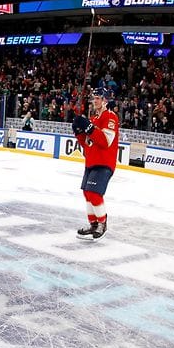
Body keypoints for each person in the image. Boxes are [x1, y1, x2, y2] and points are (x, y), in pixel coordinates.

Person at [71, 86, 120, 241]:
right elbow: (87, 144)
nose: (94, 101)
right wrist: (78, 132)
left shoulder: (110, 117)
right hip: (91, 162)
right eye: (94, 98)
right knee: (87, 193)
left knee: (94, 194)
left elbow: (105, 141)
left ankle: (102, 224)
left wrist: (89, 127)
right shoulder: (93, 119)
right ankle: (93, 224)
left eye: (98, 98)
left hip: (104, 163)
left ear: (105, 100)